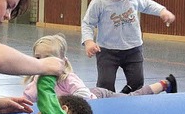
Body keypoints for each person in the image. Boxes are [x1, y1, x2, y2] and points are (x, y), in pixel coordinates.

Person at [81, 0, 176, 94]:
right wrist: (89, 42)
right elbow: (88, 23)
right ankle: (111, 103)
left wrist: (162, 11)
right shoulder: (99, 2)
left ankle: (122, 99)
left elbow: (147, 4)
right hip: (107, 51)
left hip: (133, 49)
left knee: (137, 82)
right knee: (105, 86)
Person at [23, 34, 176, 102]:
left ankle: (165, 84)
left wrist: (58, 102)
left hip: (99, 96)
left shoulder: (68, 79)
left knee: (130, 99)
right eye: (37, 58)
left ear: (62, 62)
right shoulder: (37, 81)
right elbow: (27, 99)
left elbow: (83, 95)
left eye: (48, 57)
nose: (42, 62)